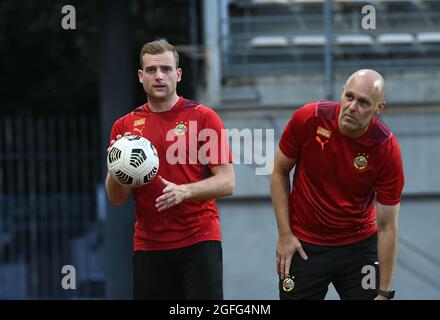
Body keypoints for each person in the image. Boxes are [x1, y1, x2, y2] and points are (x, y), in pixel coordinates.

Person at [105, 40, 235, 300]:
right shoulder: (124, 127)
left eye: (166, 69)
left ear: (178, 74)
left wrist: (185, 191)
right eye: (151, 70)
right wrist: (118, 170)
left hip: (199, 240)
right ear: (141, 77)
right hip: (149, 245)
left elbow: (227, 182)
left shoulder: (203, 117)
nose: (159, 76)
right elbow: (116, 198)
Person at [270, 69, 405, 300]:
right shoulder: (309, 118)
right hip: (304, 246)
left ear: (378, 108)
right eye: (349, 96)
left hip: (359, 249)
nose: (352, 107)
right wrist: (285, 235)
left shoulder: (386, 148)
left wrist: (384, 292)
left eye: (363, 102)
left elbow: (388, 226)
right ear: (342, 93)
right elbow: (279, 172)